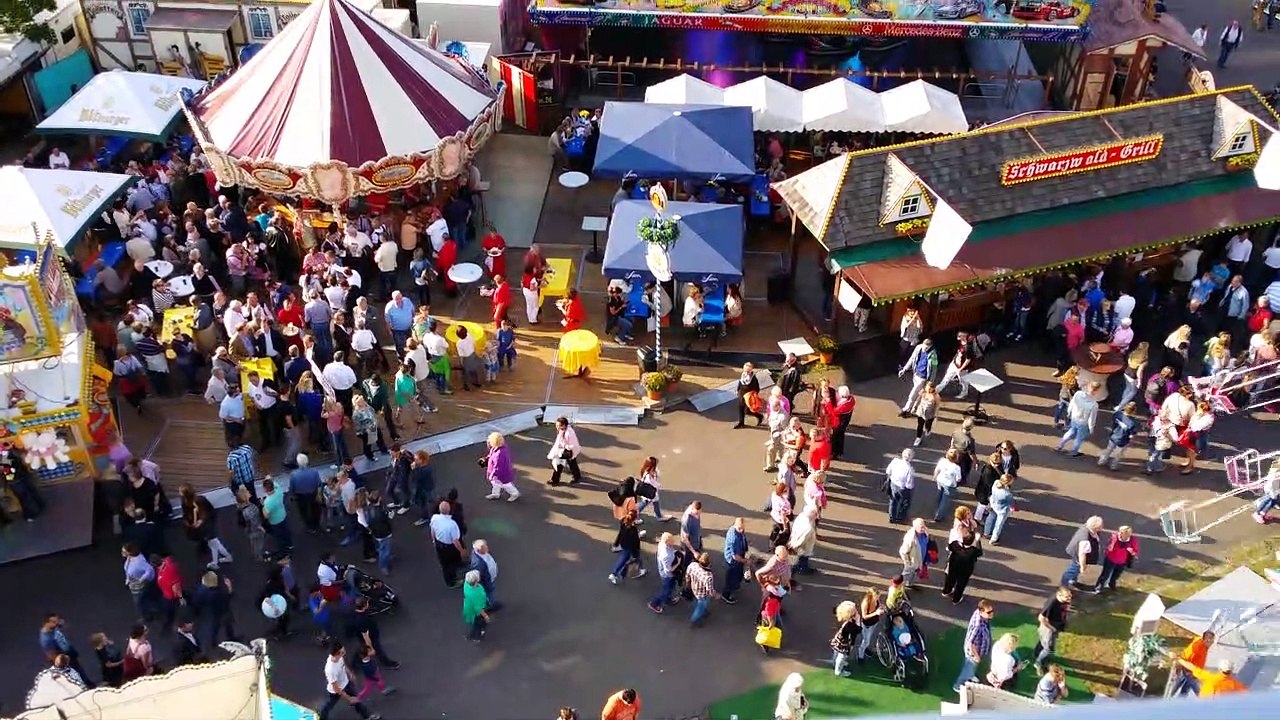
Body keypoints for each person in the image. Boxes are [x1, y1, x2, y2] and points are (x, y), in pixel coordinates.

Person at [318, 642, 380, 720]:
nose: (345, 653)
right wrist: (348, 698)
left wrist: (350, 673)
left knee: (356, 699)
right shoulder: (331, 670)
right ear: (337, 654)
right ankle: (322, 717)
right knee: (329, 705)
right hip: (336, 691)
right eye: (342, 652)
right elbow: (337, 689)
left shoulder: (339, 657)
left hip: (346, 683)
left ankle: (366, 716)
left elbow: (343, 665)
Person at [40, 614, 95, 688]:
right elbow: (51, 654)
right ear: (46, 623)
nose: (56, 623)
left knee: (79, 669)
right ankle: (83, 686)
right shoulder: (46, 639)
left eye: (57, 621)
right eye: (54, 622)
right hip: (64, 657)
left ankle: (87, 683)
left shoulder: (53, 628)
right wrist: (62, 662)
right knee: (74, 673)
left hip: (69, 652)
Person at [953, 599, 994, 691]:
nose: (992, 614)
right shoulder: (977, 626)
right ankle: (958, 685)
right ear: (981, 612)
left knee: (972, 667)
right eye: (989, 612)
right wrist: (976, 656)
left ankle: (971, 676)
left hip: (978, 649)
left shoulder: (980, 615)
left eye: (992, 611)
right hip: (974, 652)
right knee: (969, 668)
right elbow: (971, 643)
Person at [1034, 586, 1072, 673]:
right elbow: (1041, 618)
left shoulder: (1063, 600)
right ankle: (1038, 663)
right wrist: (1052, 628)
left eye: (1070, 596)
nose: (1069, 598)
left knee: (1043, 642)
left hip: (1056, 625)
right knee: (1049, 649)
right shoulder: (1052, 603)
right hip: (1048, 627)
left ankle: (1037, 654)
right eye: (1067, 596)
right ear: (1059, 595)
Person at [429, 501, 465, 588]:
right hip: (449, 547)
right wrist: (462, 551)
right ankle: (451, 582)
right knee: (449, 565)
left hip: (439, 544)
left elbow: (432, 530)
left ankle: (452, 576)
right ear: (449, 510)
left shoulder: (434, 518)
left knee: (445, 564)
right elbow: (455, 541)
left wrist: (434, 540)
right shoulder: (452, 524)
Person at [1061, 515, 1103, 589]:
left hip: (1077, 552)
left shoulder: (1087, 527)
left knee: (1075, 570)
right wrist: (1083, 567)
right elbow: (1082, 554)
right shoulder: (1085, 539)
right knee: (1072, 570)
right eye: (1101, 526)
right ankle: (1064, 586)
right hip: (1078, 556)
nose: (1103, 527)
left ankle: (1072, 581)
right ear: (1095, 528)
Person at [899, 337, 938, 414]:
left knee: (913, 393)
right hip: (916, 374)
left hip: (923, 377)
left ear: (930, 346)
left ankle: (906, 409)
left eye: (927, 348)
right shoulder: (918, 348)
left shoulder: (934, 355)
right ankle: (915, 408)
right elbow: (912, 358)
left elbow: (934, 369)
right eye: (924, 346)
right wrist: (904, 369)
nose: (925, 349)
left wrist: (931, 381)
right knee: (919, 393)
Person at [1094, 525, 1139, 592]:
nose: (1120, 534)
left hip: (1122, 561)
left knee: (1116, 575)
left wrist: (1131, 551)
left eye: (1127, 534)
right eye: (1121, 532)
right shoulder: (1114, 537)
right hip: (1111, 559)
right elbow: (1109, 548)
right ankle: (1098, 587)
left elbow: (1135, 552)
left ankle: (1112, 584)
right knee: (1105, 574)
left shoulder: (1132, 540)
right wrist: (1113, 544)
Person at [942, 533, 984, 604]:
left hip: (953, 567)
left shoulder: (955, 544)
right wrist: (978, 541)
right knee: (961, 585)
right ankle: (956, 599)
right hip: (965, 571)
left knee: (950, 579)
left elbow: (949, 547)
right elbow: (980, 552)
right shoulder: (973, 551)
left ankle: (946, 591)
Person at [1172, 631, 1216, 696]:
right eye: (1210, 639)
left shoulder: (1204, 644)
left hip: (1193, 673)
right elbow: (1185, 656)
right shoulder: (1196, 648)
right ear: (1204, 639)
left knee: (1184, 691)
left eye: (1212, 639)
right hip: (1188, 672)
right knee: (1196, 691)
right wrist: (1178, 667)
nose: (1212, 641)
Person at [484, 432, 520, 501]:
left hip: (501, 474)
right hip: (497, 473)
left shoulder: (500, 454)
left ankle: (515, 494)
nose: (489, 442)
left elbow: (498, 467)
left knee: (506, 485)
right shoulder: (496, 448)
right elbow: (491, 455)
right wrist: (486, 459)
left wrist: (492, 474)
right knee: (495, 483)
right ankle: (495, 494)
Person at [548, 416, 583, 485]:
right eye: (556, 425)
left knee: (559, 463)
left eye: (558, 425)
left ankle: (555, 480)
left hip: (570, 450)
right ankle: (577, 476)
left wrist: (564, 446)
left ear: (563, 425)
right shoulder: (562, 430)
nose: (557, 427)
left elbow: (572, 445)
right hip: (567, 450)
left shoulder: (569, 433)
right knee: (572, 463)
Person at [830, 600, 861, 677]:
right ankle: (838, 670)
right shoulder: (849, 624)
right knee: (841, 656)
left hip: (839, 640)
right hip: (844, 643)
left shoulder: (844, 619)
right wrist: (858, 620)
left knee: (836, 653)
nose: (857, 612)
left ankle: (834, 662)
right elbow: (858, 630)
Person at [885, 448, 915, 524]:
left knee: (893, 500)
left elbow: (888, 471)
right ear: (911, 458)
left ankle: (892, 517)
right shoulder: (910, 469)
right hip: (902, 488)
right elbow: (909, 484)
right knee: (905, 502)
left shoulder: (895, 461)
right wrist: (910, 489)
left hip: (893, 484)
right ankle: (901, 517)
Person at [462, 569, 491, 642]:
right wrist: (486, 616)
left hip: (469, 607)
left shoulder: (466, 585)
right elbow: (479, 609)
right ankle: (477, 637)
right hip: (476, 613)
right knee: (478, 624)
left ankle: (472, 635)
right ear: (476, 581)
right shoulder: (477, 594)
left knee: (475, 624)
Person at [733, 362, 763, 428]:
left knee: (748, 411)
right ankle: (741, 423)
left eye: (748, 371)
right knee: (740, 408)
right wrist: (738, 390)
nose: (746, 373)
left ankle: (759, 416)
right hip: (741, 395)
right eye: (745, 370)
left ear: (751, 370)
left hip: (749, 397)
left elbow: (757, 389)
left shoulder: (753, 379)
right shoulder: (743, 376)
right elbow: (740, 384)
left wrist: (752, 395)